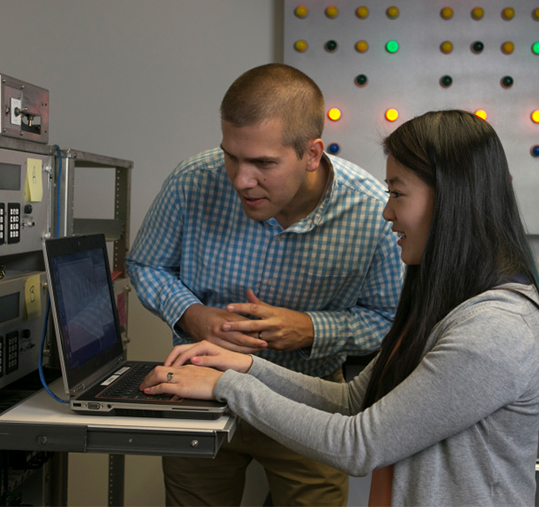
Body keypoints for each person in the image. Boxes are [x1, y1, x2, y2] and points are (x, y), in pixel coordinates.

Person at [141, 109, 539, 506]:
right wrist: (243, 366)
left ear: (451, 200)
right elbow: (353, 400)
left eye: (397, 193)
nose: (386, 210)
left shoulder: (495, 329)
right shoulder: (445, 302)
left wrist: (224, 386)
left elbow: (359, 444)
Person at [125, 63, 404, 506]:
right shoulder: (193, 181)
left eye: (262, 164)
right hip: (200, 393)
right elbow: (144, 264)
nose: (240, 179)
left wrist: (310, 330)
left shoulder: (373, 212)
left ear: (312, 154)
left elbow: (389, 318)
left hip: (310, 405)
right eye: (231, 156)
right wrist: (194, 316)